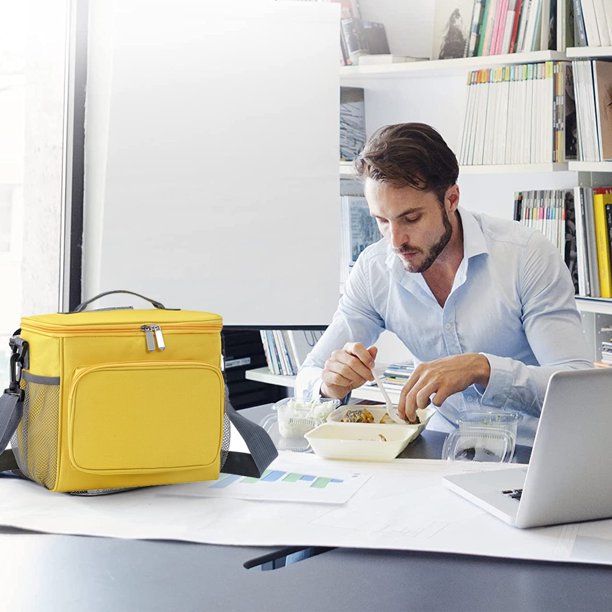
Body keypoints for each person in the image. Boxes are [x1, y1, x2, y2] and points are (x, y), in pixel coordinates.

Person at [296, 122, 593, 444]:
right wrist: (329, 384)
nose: (395, 241)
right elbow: (308, 376)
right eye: (382, 221)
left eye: (411, 219)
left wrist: (483, 368)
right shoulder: (373, 269)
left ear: (451, 198)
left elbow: (577, 386)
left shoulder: (525, 256)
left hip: (531, 452)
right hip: (439, 448)